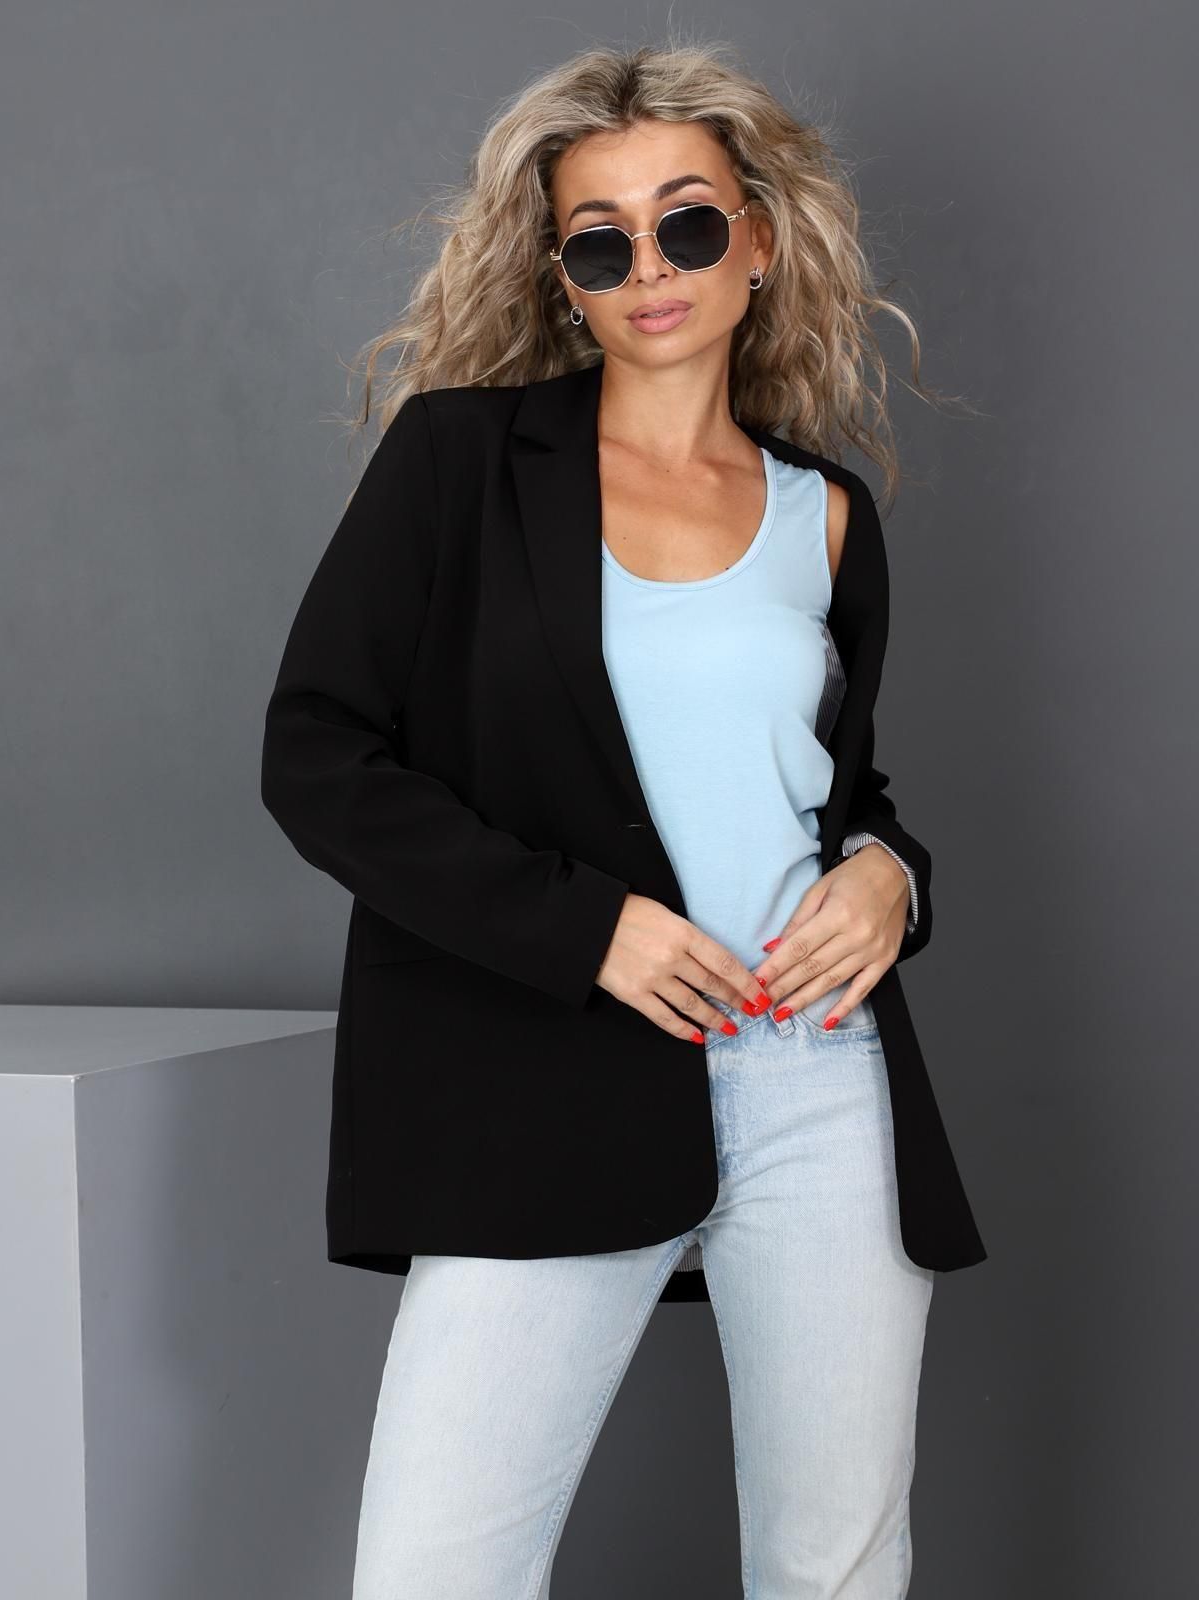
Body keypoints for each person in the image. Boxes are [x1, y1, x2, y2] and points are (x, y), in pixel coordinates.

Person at [260, 38, 987, 1600]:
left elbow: (833, 792)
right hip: (544, 1068)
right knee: (435, 1571)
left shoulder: (825, 513)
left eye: (689, 223)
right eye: (603, 240)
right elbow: (316, 755)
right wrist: (585, 929)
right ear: (564, 277)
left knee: (836, 1566)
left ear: (758, 240)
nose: (650, 267)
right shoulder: (459, 462)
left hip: (817, 1079)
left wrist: (891, 878)